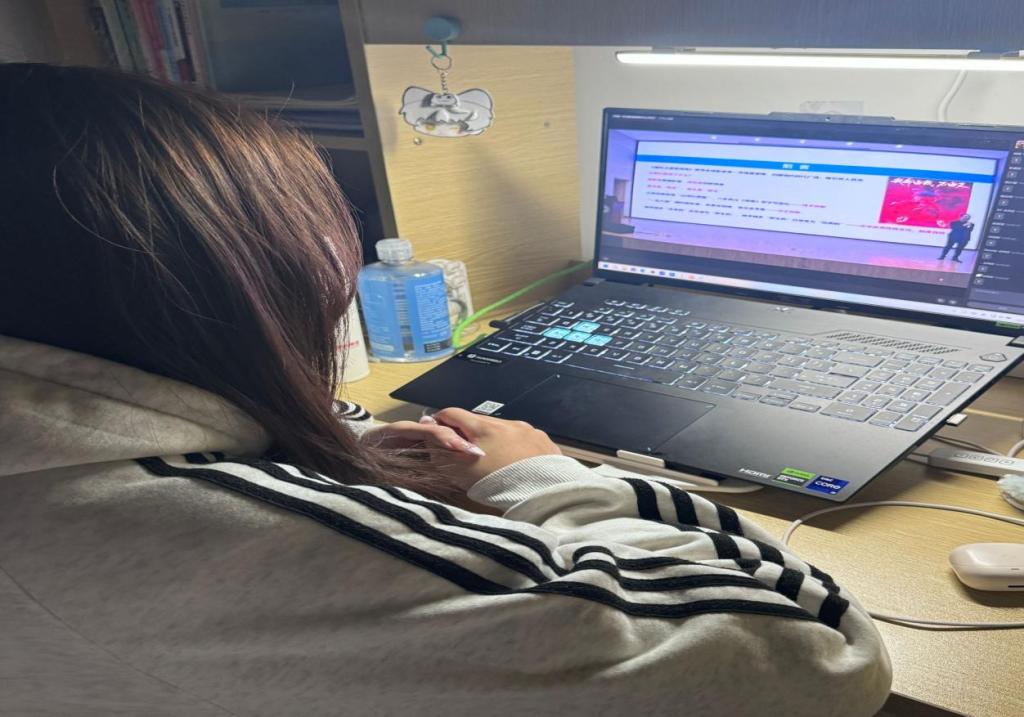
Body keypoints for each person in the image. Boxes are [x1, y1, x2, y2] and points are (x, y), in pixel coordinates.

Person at [0, 63, 892, 716]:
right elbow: (816, 658)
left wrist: (349, 444)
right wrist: (547, 476)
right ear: (203, 284)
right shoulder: (185, 531)